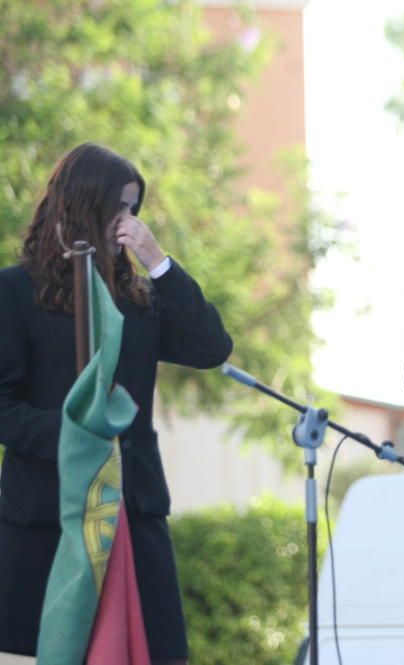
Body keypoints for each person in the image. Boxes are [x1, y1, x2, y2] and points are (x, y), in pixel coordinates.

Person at [0, 143, 233, 664]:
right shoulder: (15, 292)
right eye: (118, 208)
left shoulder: (140, 298)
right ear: (82, 205)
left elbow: (211, 347)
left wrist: (158, 262)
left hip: (133, 510)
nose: (126, 222)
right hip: (46, 515)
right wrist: (77, 435)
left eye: (134, 209)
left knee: (155, 652)